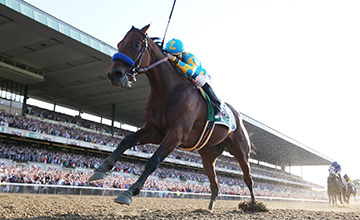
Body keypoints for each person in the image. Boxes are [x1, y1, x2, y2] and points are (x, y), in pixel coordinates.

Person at [165, 38, 223, 117]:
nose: (172, 60)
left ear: (182, 53)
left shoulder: (190, 57)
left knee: (198, 78)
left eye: (177, 56)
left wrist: (174, 59)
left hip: (204, 77)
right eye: (171, 56)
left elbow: (190, 71)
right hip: (190, 80)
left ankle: (216, 103)